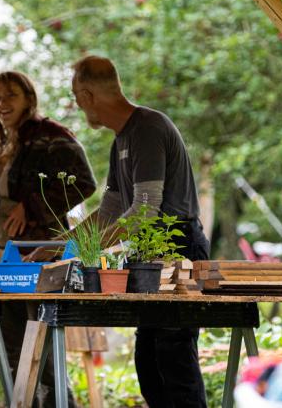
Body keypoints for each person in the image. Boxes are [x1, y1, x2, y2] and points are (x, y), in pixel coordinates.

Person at [70, 55, 209, 408]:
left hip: (179, 246)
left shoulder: (148, 127)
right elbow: (112, 210)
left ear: (87, 95)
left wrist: (91, 250)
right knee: (149, 360)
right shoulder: (122, 139)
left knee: (174, 356)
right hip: (151, 252)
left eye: (75, 96)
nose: (76, 104)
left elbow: (145, 210)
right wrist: (63, 245)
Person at [0, 70, 96, 407]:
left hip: (36, 253)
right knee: (9, 342)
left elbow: (83, 183)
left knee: (41, 336)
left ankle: (58, 404)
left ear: (28, 98)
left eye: (10, 95)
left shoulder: (52, 137)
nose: (2, 103)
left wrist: (32, 206)